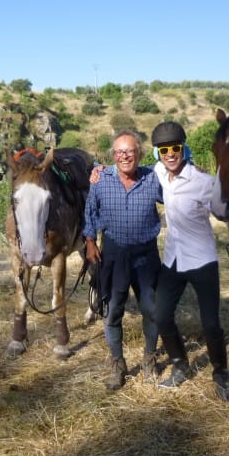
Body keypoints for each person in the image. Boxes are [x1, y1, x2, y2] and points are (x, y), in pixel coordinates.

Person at [150, 121, 229, 400]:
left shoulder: (203, 183)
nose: (170, 154)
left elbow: (223, 210)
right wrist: (98, 172)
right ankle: (180, 365)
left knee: (210, 324)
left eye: (175, 148)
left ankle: (221, 374)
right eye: (164, 149)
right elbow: (132, 171)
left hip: (202, 261)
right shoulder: (158, 173)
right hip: (173, 260)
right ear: (158, 153)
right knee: (162, 316)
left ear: (183, 149)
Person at [83, 129, 163, 391]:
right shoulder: (101, 179)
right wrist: (90, 242)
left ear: (139, 153)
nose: (125, 156)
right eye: (119, 152)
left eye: (130, 151)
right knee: (113, 309)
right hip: (114, 254)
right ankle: (118, 364)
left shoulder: (154, 178)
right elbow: (90, 211)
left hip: (146, 254)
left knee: (151, 309)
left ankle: (150, 359)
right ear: (113, 155)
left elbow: (179, 186)